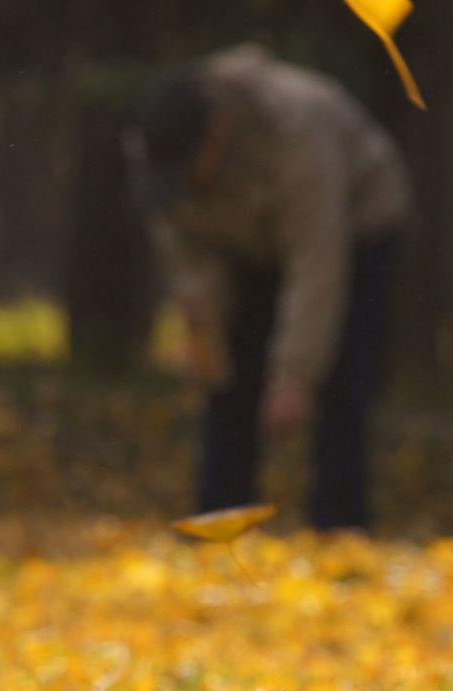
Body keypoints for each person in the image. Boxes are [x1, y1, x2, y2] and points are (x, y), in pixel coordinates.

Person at [130, 44, 411, 532]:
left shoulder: (296, 129)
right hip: (250, 241)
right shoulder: (159, 148)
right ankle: (221, 522)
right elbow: (190, 256)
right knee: (228, 375)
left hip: (357, 229)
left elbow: (317, 261)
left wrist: (294, 378)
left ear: (216, 135)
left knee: (341, 379)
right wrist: (203, 332)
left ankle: (339, 527)